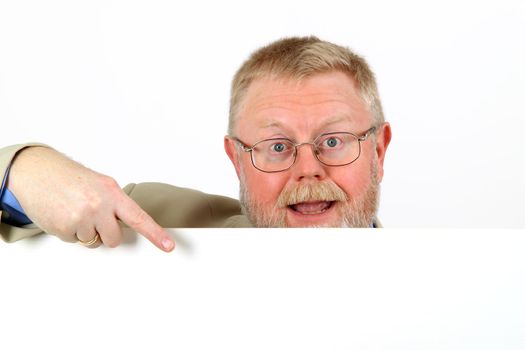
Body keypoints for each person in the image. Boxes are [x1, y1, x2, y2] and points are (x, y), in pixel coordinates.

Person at [0, 36, 392, 252]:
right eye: (276, 146)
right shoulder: (162, 222)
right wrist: (25, 167)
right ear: (237, 160)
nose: (308, 168)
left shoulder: (447, 289)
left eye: (334, 140)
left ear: (378, 150)